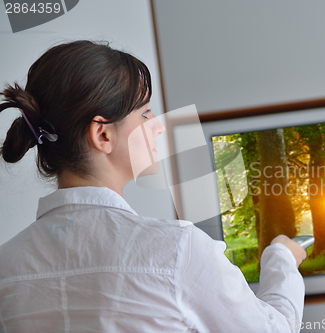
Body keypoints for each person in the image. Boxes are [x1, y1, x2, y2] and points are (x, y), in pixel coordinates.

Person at [0, 40, 307, 332]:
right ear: (102, 135)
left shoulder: (6, 266)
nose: (158, 124)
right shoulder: (177, 250)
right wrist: (281, 258)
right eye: (145, 112)